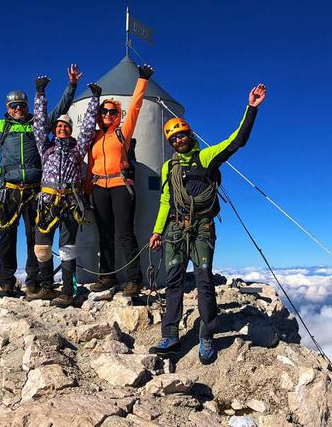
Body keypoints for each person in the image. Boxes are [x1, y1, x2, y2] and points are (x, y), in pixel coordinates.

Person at [148, 83, 268, 364]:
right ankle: (171, 336)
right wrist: (156, 231)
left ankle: (206, 336)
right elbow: (166, 200)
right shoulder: (169, 168)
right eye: (174, 139)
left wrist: (251, 108)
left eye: (182, 136)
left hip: (202, 227)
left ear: (190, 135)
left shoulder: (205, 157)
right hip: (176, 230)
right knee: (174, 282)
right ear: (171, 143)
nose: (179, 141)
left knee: (203, 281)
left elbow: (236, 141)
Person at [0, 65, 82, 297]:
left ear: (27, 106)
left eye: (22, 105)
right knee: (7, 237)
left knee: (33, 237)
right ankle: (7, 282)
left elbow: (61, 108)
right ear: (7, 108)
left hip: (34, 190)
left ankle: (33, 282)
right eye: (13, 106)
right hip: (9, 189)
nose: (18, 109)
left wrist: (71, 86)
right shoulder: (1, 125)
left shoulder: (37, 125)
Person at [28, 75, 102, 307]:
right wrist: (40, 94)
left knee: (68, 248)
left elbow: (89, 129)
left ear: (70, 130)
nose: (61, 128)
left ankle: (67, 291)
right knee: (41, 246)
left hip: (70, 201)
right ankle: (47, 288)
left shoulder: (77, 150)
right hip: (48, 201)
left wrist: (95, 99)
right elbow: (39, 124)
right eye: (59, 126)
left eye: (65, 127)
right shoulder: (46, 147)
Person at [85, 64, 154, 297]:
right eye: (103, 112)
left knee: (125, 232)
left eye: (112, 112)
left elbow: (135, 107)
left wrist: (142, 80)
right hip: (98, 187)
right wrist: (87, 192)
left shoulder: (121, 133)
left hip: (121, 186)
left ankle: (135, 279)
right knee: (104, 233)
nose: (107, 115)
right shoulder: (93, 137)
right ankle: (107, 277)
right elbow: (90, 166)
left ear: (117, 115)